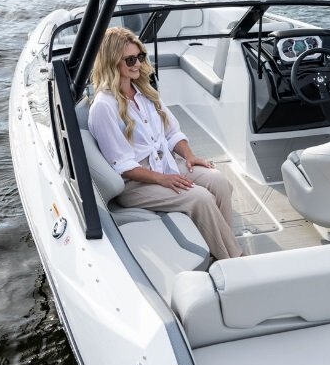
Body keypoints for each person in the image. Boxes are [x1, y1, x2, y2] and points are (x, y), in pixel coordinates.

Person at [88, 26, 242, 259]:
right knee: (200, 198)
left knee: (219, 181)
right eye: (130, 60)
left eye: (140, 57)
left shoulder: (144, 91)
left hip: (166, 164)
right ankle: (233, 258)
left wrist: (189, 156)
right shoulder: (104, 107)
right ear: (111, 62)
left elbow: (172, 133)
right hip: (136, 184)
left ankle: (221, 247)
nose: (138, 64)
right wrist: (163, 179)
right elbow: (123, 166)